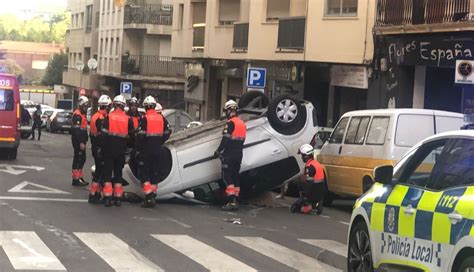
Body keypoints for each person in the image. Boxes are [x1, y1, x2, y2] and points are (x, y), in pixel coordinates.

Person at [137, 96, 171, 208]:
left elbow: (140, 136)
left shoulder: (145, 118)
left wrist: (139, 148)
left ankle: (149, 196)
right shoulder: (161, 118)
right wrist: (160, 140)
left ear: (146, 107)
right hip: (158, 150)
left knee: (144, 175)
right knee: (154, 174)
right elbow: (168, 131)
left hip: (146, 150)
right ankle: (153, 195)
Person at [101, 95, 134, 207]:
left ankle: (107, 198)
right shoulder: (128, 119)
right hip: (121, 151)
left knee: (108, 174)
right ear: (123, 106)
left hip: (109, 150)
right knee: (118, 174)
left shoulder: (109, 117)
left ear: (114, 105)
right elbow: (132, 136)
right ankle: (118, 198)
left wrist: (101, 148)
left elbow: (104, 135)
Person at [214, 100, 246, 211]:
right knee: (235, 175)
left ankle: (231, 201)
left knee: (227, 176)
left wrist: (218, 151)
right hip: (239, 154)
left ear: (229, 110)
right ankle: (236, 199)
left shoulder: (230, 123)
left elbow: (226, 138)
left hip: (229, 154)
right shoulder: (242, 123)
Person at [88, 95, 112, 203]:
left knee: (98, 171)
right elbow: (102, 135)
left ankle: (94, 193)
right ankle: (96, 194)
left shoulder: (95, 116)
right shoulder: (102, 119)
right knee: (101, 172)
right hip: (100, 148)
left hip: (95, 146)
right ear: (106, 107)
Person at [290, 144, 325, 215]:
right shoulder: (316, 163)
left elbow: (309, 183)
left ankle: (312, 205)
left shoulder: (309, 167)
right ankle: (316, 202)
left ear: (306, 156)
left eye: (302, 155)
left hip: (314, 192)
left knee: (294, 209)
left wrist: (304, 195)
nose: (302, 157)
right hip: (321, 191)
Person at [71, 96, 90, 186]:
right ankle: (75, 179)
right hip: (78, 141)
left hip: (82, 141)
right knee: (78, 159)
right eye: (85, 106)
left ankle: (79, 177)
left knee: (82, 159)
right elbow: (77, 131)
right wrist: (81, 142)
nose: (86, 108)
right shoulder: (77, 115)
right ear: (81, 106)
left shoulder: (82, 114)